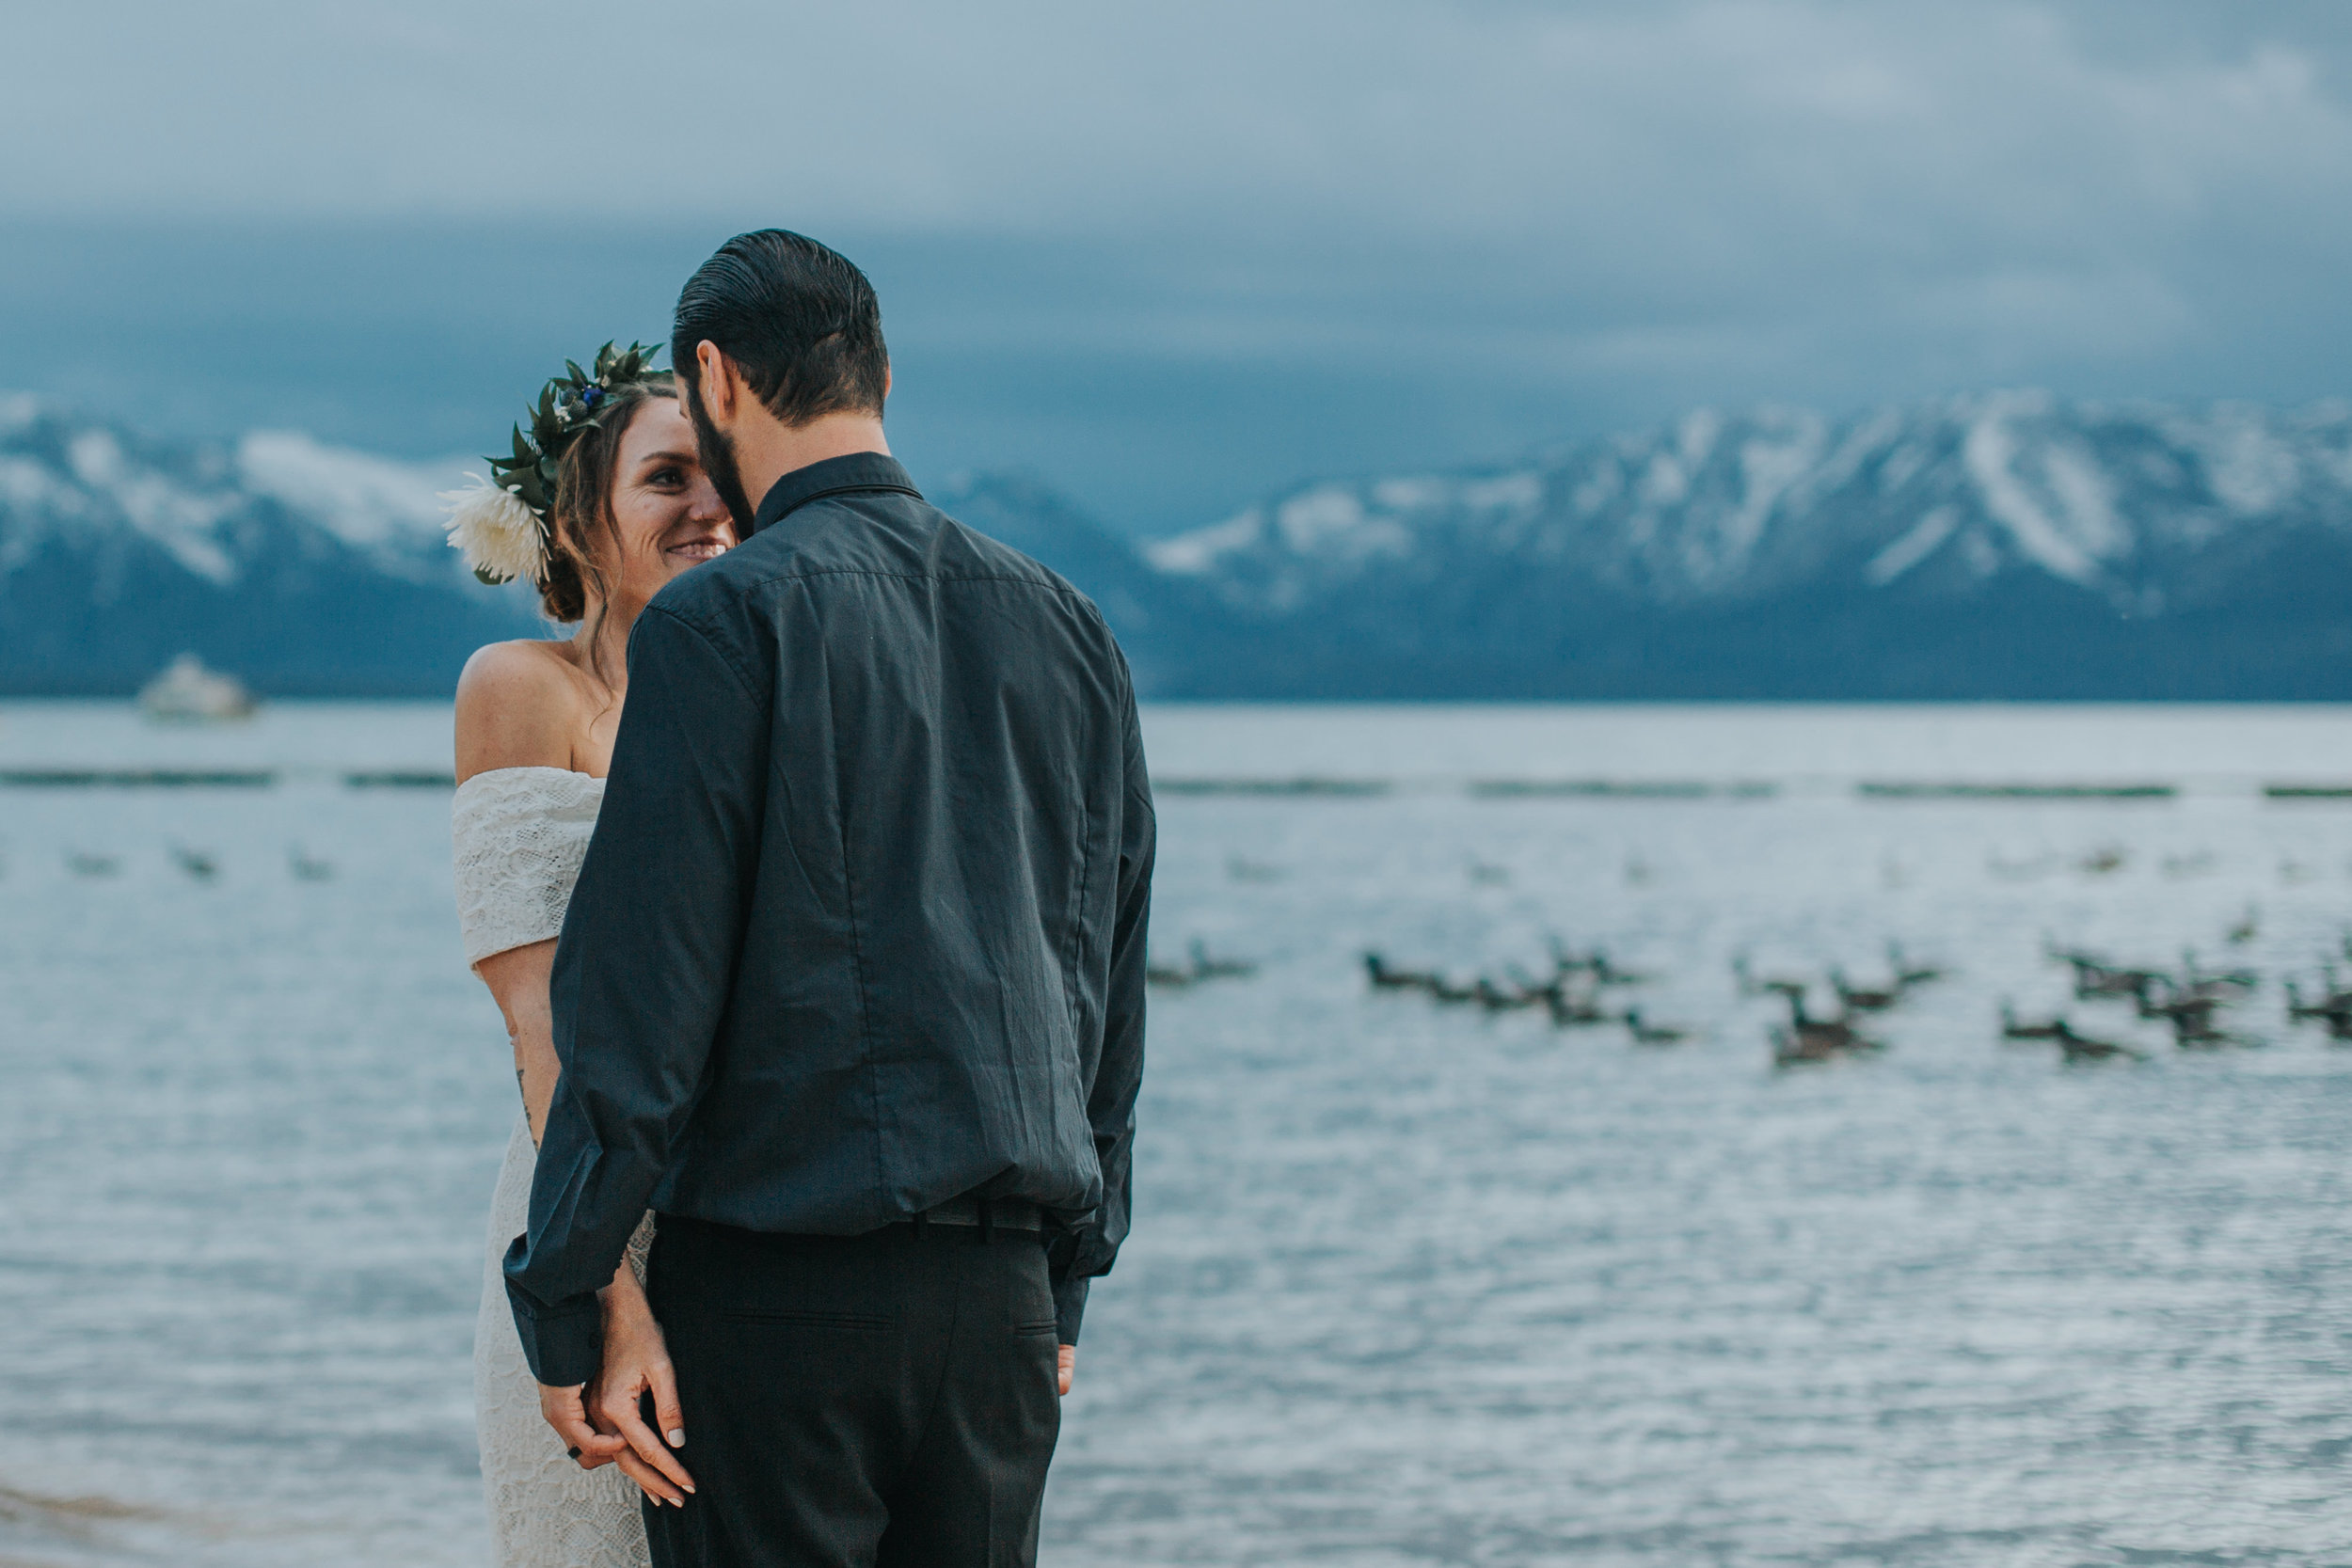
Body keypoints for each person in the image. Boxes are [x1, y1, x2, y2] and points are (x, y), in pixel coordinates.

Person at [501, 230, 1156, 1568]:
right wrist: (1073, 1281)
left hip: (776, 1303)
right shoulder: (1072, 624)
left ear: (716, 378)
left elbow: (643, 1001)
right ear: (883, 379)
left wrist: (564, 1295)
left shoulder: (720, 623)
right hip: (1002, 1314)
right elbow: (1103, 981)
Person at [445, 345, 736, 1567]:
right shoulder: (525, 688)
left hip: (758, 1232)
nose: (709, 506)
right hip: (596, 1215)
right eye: (667, 478)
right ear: (580, 521)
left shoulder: (755, 696)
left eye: (721, 472)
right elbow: (543, 1025)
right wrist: (601, 1300)